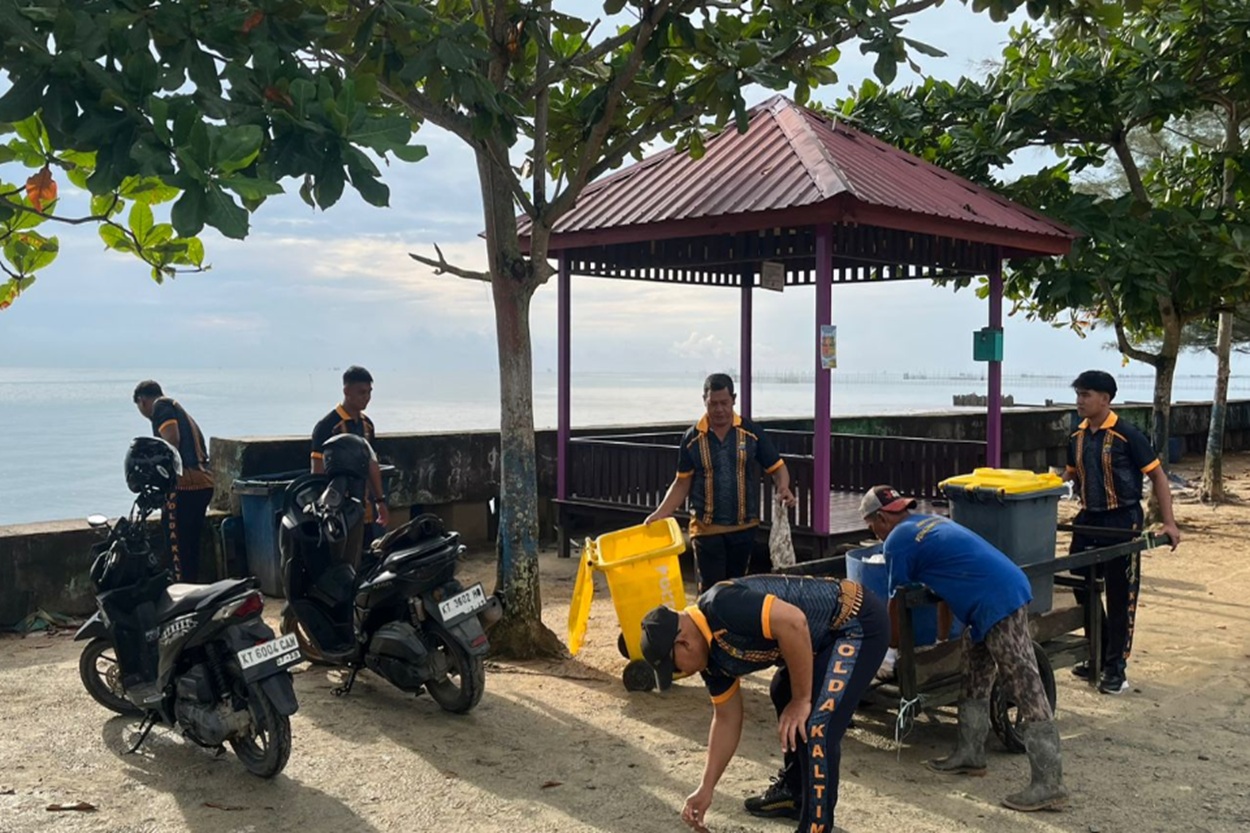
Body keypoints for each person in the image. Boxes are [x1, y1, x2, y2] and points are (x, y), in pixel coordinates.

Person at [860, 484, 1068, 812]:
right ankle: (970, 754)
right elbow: (942, 587)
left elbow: (896, 601)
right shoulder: (929, 523)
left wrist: (888, 648)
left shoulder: (897, 540)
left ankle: (1049, 783)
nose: (875, 533)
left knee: (1024, 685)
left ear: (882, 518)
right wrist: (945, 638)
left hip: (998, 601)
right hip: (989, 599)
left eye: (872, 526)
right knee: (974, 673)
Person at [640, 574, 887, 833]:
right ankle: (795, 792)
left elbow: (794, 622)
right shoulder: (712, 662)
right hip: (822, 641)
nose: (682, 673)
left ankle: (816, 828)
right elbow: (726, 719)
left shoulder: (721, 605)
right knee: (782, 690)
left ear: (683, 642)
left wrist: (802, 700)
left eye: (675, 667)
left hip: (855, 623)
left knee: (815, 726)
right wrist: (706, 788)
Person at [1063, 370, 1181, 695]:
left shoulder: (1127, 434)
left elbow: (1158, 477)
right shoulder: (1076, 437)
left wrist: (1169, 522)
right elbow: (1070, 477)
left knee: (1120, 594)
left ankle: (1116, 668)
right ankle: (1099, 654)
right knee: (1081, 583)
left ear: (1105, 399)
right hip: (1087, 519)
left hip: (1122, 520)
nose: (1080, 401)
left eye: (1086, 395)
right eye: (1078, 394)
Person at [645, 373, 796, 592]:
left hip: (744, 527)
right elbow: (682, 483)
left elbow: (777, 467)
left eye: (724, 403)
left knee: (736, 590)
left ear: (733, 400)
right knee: (711, 592)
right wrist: (660, 513)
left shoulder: (751, 433)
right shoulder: (692, 438)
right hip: (705, 529)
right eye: (713, 404)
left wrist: (783, 487)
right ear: (704, 401)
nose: (719, 409)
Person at [133, 381, 215, 583]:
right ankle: (192, 586)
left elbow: (172, 440)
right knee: (190, 546)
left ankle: (182, 589)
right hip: (202, 482)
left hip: (184, 485)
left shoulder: (161, 407)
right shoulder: (174, 406)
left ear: (142, 401)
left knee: (176, 546)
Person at [311, 366, 389, 553]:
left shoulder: (367, 426)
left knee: (367, 556)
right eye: (361, 392)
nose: (367, 397)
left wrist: (380, 501)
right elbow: (317, 471)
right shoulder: (327, 426)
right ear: (346, 391)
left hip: (364, 508)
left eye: (369, 392)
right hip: (337, 511)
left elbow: (372, 465)